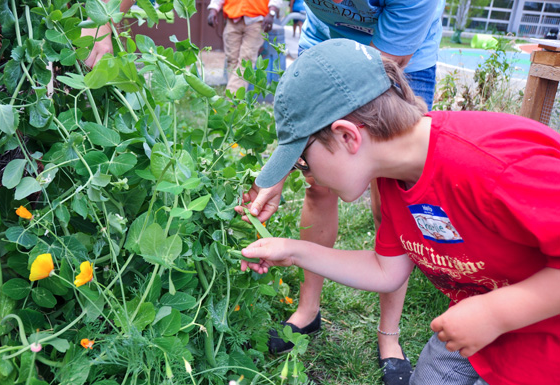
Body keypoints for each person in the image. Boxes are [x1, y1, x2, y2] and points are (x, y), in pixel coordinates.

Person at [237, 38, 560, 385]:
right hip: (480, 324)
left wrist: (496, 313)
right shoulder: (394, 178)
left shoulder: (495, 164)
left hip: (541, 341)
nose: (307, 174)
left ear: (347, 137)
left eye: (302, 160)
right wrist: (292, 250)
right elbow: (385, 271)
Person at [243, 1, 445, 383]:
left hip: (401, 57)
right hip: (325, 45)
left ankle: (389, 334)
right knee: (318, 189)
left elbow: (370, 80)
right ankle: (307, 309)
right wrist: (291, 160)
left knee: (393, 199)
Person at [207, 0, 282, 94]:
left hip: (257, 21)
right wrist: (213, 10)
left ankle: (230, 101)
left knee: (246, 61)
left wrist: (272, 13)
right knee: (231, 60)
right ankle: (236, 100)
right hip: (233, 19)